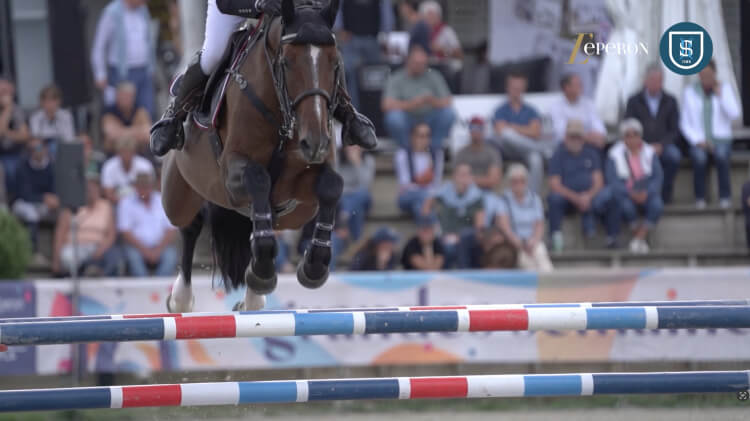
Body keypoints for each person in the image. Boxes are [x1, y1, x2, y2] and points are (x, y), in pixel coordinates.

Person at [150, 0, 377, 157]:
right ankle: (174, 117)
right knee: (213, 55)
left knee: (320, 42)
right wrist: (257, 4)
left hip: (280, 8)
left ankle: (348, 115)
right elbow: (225, 3)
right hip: (234, 6)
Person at [547, 120, 620, 251]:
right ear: (566, 137)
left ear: (583, 138)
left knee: (611, 195)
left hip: (591, 196)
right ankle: (555, 237)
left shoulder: (591, 153)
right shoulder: (558, 155)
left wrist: (588, 196)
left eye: (578, 137)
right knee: (554, 198)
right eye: (572, 136)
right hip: (568, 198)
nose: (575, 140)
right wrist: (576, 198)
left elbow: (598, 181)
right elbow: (555, 184)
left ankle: (612, 238)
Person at [679, 60, 741, 209]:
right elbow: (684, 123)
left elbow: (734, 114)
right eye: (703, 75)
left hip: (721, 139)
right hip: (699, 140)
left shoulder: (725, 89)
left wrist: (721, 96)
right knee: (699, 158)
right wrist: (697, 140)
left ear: (714, 73)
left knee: (721, 156)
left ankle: (725, 197)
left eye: (708, 74)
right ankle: (700, 198)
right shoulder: (690, 92)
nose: (705, 78)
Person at [624, 63, 681, 204]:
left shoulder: (670, 101)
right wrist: (642, 145)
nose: (656, 84)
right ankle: (641, 195)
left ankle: (665, 194)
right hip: (639, 145)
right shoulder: (634, 101)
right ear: (645, 80)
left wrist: (661, 145)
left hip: (664, 145)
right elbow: (628, 126)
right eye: (653, 80)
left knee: (674, 156)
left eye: (659, 81)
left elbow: (675, 130)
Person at [382, 43, 456, 150]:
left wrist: (432, 101)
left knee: (448, 114)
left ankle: (434, 148)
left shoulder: (434, 75)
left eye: (423, 63)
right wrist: (413, 104)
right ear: (408, 61)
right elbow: (386, 105)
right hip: (407, 118)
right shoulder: (396, 77)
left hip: (430, 117)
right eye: (417, 63)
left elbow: (448, 101)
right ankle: (408, 150)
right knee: (394, 118)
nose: (420, 66)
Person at [606, 118, 663, 254]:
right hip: (627, 192)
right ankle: (639, 239)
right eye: (628, 135)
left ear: (640, 136)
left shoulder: (649, 152)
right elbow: (613, 181)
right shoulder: (614, 154)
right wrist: (631, 193)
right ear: (623, 138)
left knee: (657, 205)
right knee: (626, 206)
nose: (632, 139)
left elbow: (657, 177)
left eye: (635, 135)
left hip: (646, 190)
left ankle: (639, 237)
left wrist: (647, 192)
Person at [91, 0, 156, 116]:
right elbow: (99, 45)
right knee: (123, 114)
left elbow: (148, 40)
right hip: (122, 73)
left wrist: (151, 67)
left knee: (146, 112)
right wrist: (100, 74)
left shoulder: (144, 11)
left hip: (143, 71)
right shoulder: (112, 12)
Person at [492, 72, 549, 193]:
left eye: (519, 88)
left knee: (536, 159)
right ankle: (543, 149)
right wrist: (524, 129)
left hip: (525, 150)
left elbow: (535, 133)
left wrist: (511, 126)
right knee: (507, 134)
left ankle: (533, 197)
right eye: (514, 88)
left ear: (524, 89)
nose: (516, 91)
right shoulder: (500, 110)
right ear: (508, 88)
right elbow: (500, 131)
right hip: (507, 150)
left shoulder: (531, 110)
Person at [52, 175, 120, 277]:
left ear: (99, 190)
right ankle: (84, 273)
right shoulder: (71, 206)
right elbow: (60, 233)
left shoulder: (107, 207)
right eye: (88, 188)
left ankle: (93, 271)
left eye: (94, 188)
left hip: (98, 246)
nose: (91, 191)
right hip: (75, 246)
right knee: (68, 258)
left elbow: (111, 235)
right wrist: (56, 260)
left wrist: (100, 250)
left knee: (113, 257)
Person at [422, 163, 485, 268]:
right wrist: (432, 224)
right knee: (446, 247)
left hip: (466, 237)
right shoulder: (443, 193)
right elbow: (426, 208)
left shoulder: (476, 197)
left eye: (467, 174)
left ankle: (464, 273)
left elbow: (480, 226)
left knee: (464, 241)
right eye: (461, 174)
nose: (464, 178)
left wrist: (459, 237)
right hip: (445, 236)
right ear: (454, 176)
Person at [334, 0, 394, 108]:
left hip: (373, 40)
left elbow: (386, 12)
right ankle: (352, 109)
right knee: (350, 75)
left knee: (374, 77)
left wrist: (385, 36)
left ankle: (375, 109)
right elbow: (337, 7)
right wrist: (339, 29)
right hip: (351, 40)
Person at [118, 171, 178, 277]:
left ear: (151, 187)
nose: (143, 189)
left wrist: (158, 250)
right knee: (134, 259)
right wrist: (145, 251)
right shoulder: (126, 203)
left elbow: (171, 229)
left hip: (161, 246)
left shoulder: (162, 200)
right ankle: (142, 286)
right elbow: (125, 232)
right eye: (140, 186)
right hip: (136, 247)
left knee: (171, 257)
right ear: (135, 187)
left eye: (146, 186)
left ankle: (160, 285)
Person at [496, 164, 552, 271]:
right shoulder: (503, 200)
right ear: (510, 183)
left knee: (541, 254)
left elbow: (539, 224)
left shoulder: (535, 199)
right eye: (515, 181)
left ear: (526, 182)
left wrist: (533, 241)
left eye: (522, 181)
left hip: (532, 241)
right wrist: (519, 243)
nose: (519, 184)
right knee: (525, 261)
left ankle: (549, 280)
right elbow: (504, 227)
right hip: (513, 242)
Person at [11, 138, 59, 259]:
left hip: (45, 205)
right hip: (23, 202)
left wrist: (52, 199)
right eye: (31, 149)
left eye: (37, 148)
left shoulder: (52, 167)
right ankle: (33, 252)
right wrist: (43, 198)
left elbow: (55, 190)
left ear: (45, 149)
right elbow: (24, 193)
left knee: (61, 212)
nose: (34, 151)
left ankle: (56, 254)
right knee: (31, 213)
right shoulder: (22, 166)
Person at [394, 123, 444, 219]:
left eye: (427, 136)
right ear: (412, 137)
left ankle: (425, 227)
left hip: (427, 197)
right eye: (421, 136)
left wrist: (422, 184)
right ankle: (434, 226)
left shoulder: (436, 154)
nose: (425, 140)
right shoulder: (402, 154)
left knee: (418, 205)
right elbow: (405, 185)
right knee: (424, 198)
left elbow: (436, 183)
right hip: (407, 196)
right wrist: (423, 180)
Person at [548, 73, 607, 149]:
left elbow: (599, 126)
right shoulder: (556, 107)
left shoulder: (588, 104)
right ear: (566, 87)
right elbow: (560, 132)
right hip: (566, 146)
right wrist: (585, 137)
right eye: (577, 85)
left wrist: (597, 135)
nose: (581, 87)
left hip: (590, 144)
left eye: (580, 84)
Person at [101, 137, 156, 203]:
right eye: (123, 152)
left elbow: (149, 191)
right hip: (116, 204)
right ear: (118, 152)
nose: (126, 155)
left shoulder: (144, 166)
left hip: (141, 203)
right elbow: (108, 194)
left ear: (134, 152)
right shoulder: (109, 166)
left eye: (129, 152)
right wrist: (126, 204)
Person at [101, 82, 152, 153]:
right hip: (114, 155)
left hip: (139, 154)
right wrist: (137, 132)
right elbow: (111, 135)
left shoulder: (140, 112)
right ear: (117, 96)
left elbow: (148, 134)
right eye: (123, 96)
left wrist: (120, 132)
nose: (126, 99)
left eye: (129, 96)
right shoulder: (109, 113)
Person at [454, 116, 502, 192]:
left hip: (486, 192)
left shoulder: (492, 152)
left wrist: (470, 180)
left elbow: (494, 180)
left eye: (479, 128)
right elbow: (456, 179)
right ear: (469, 130)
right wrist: (482, 180)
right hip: (465, 192)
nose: (475, 131)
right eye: (472, 128)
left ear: (484, 131)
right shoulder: (461, 153)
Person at [0, 77, 30, 199]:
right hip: (2, 154)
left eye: (6, 92)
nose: (4, 96)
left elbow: (24, 136)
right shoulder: (9, 109)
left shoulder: (17, 110)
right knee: (8, 169)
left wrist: (6, 132)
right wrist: (7, 110)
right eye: (2, 92)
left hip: (18, 152)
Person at [29, 85, 77, 151]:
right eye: (47, 100)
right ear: (41, 102)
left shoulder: (66, 115)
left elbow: (69, 138)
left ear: (59, 101)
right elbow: (36, 138)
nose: (50, 104)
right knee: (36, 145)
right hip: (43, 150)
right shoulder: (35, 117)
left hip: (63, 147)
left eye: (53, 100)